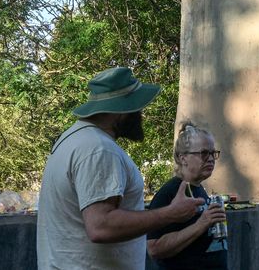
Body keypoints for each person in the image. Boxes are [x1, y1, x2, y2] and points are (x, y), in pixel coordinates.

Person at [37, 67, 202, 270]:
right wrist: (171, 213)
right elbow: (100, 226)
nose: (140, 114)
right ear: (120, 111)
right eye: (136, 108)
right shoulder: (99, 149)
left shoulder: (71, 139)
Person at [147, 121, 228, 269]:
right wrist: (201, 224)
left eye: (212, 153)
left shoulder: (199, 189)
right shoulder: (170, 192)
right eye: (204, 153)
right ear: (183, 158)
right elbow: (154, 248)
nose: (210, 158)